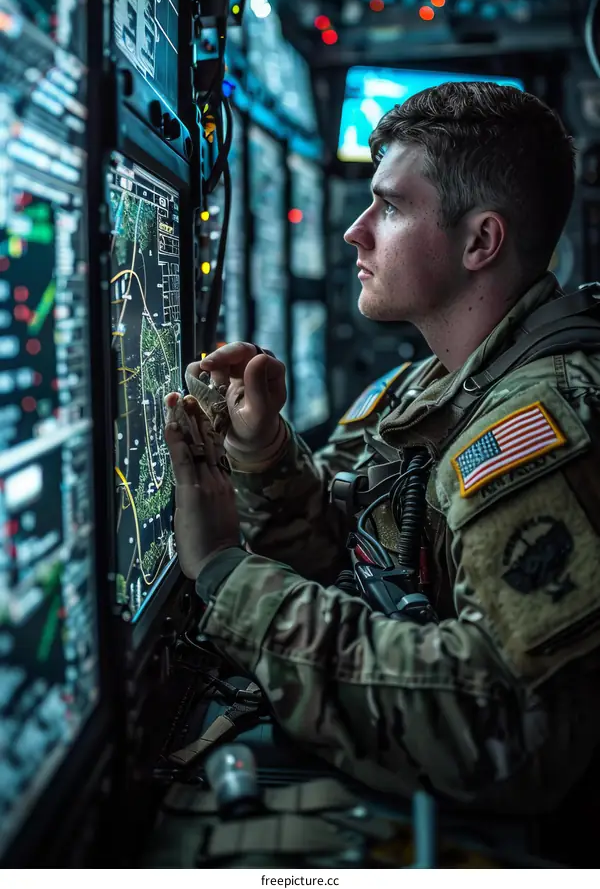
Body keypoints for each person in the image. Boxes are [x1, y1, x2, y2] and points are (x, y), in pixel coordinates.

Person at [164, 82, 600, 855]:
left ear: (480, 241)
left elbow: (503, 725)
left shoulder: (542, 427)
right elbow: (362, 557)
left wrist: (227, 580)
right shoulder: (424, 386)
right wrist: (262, 452)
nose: (355, 232)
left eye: (389, 207)